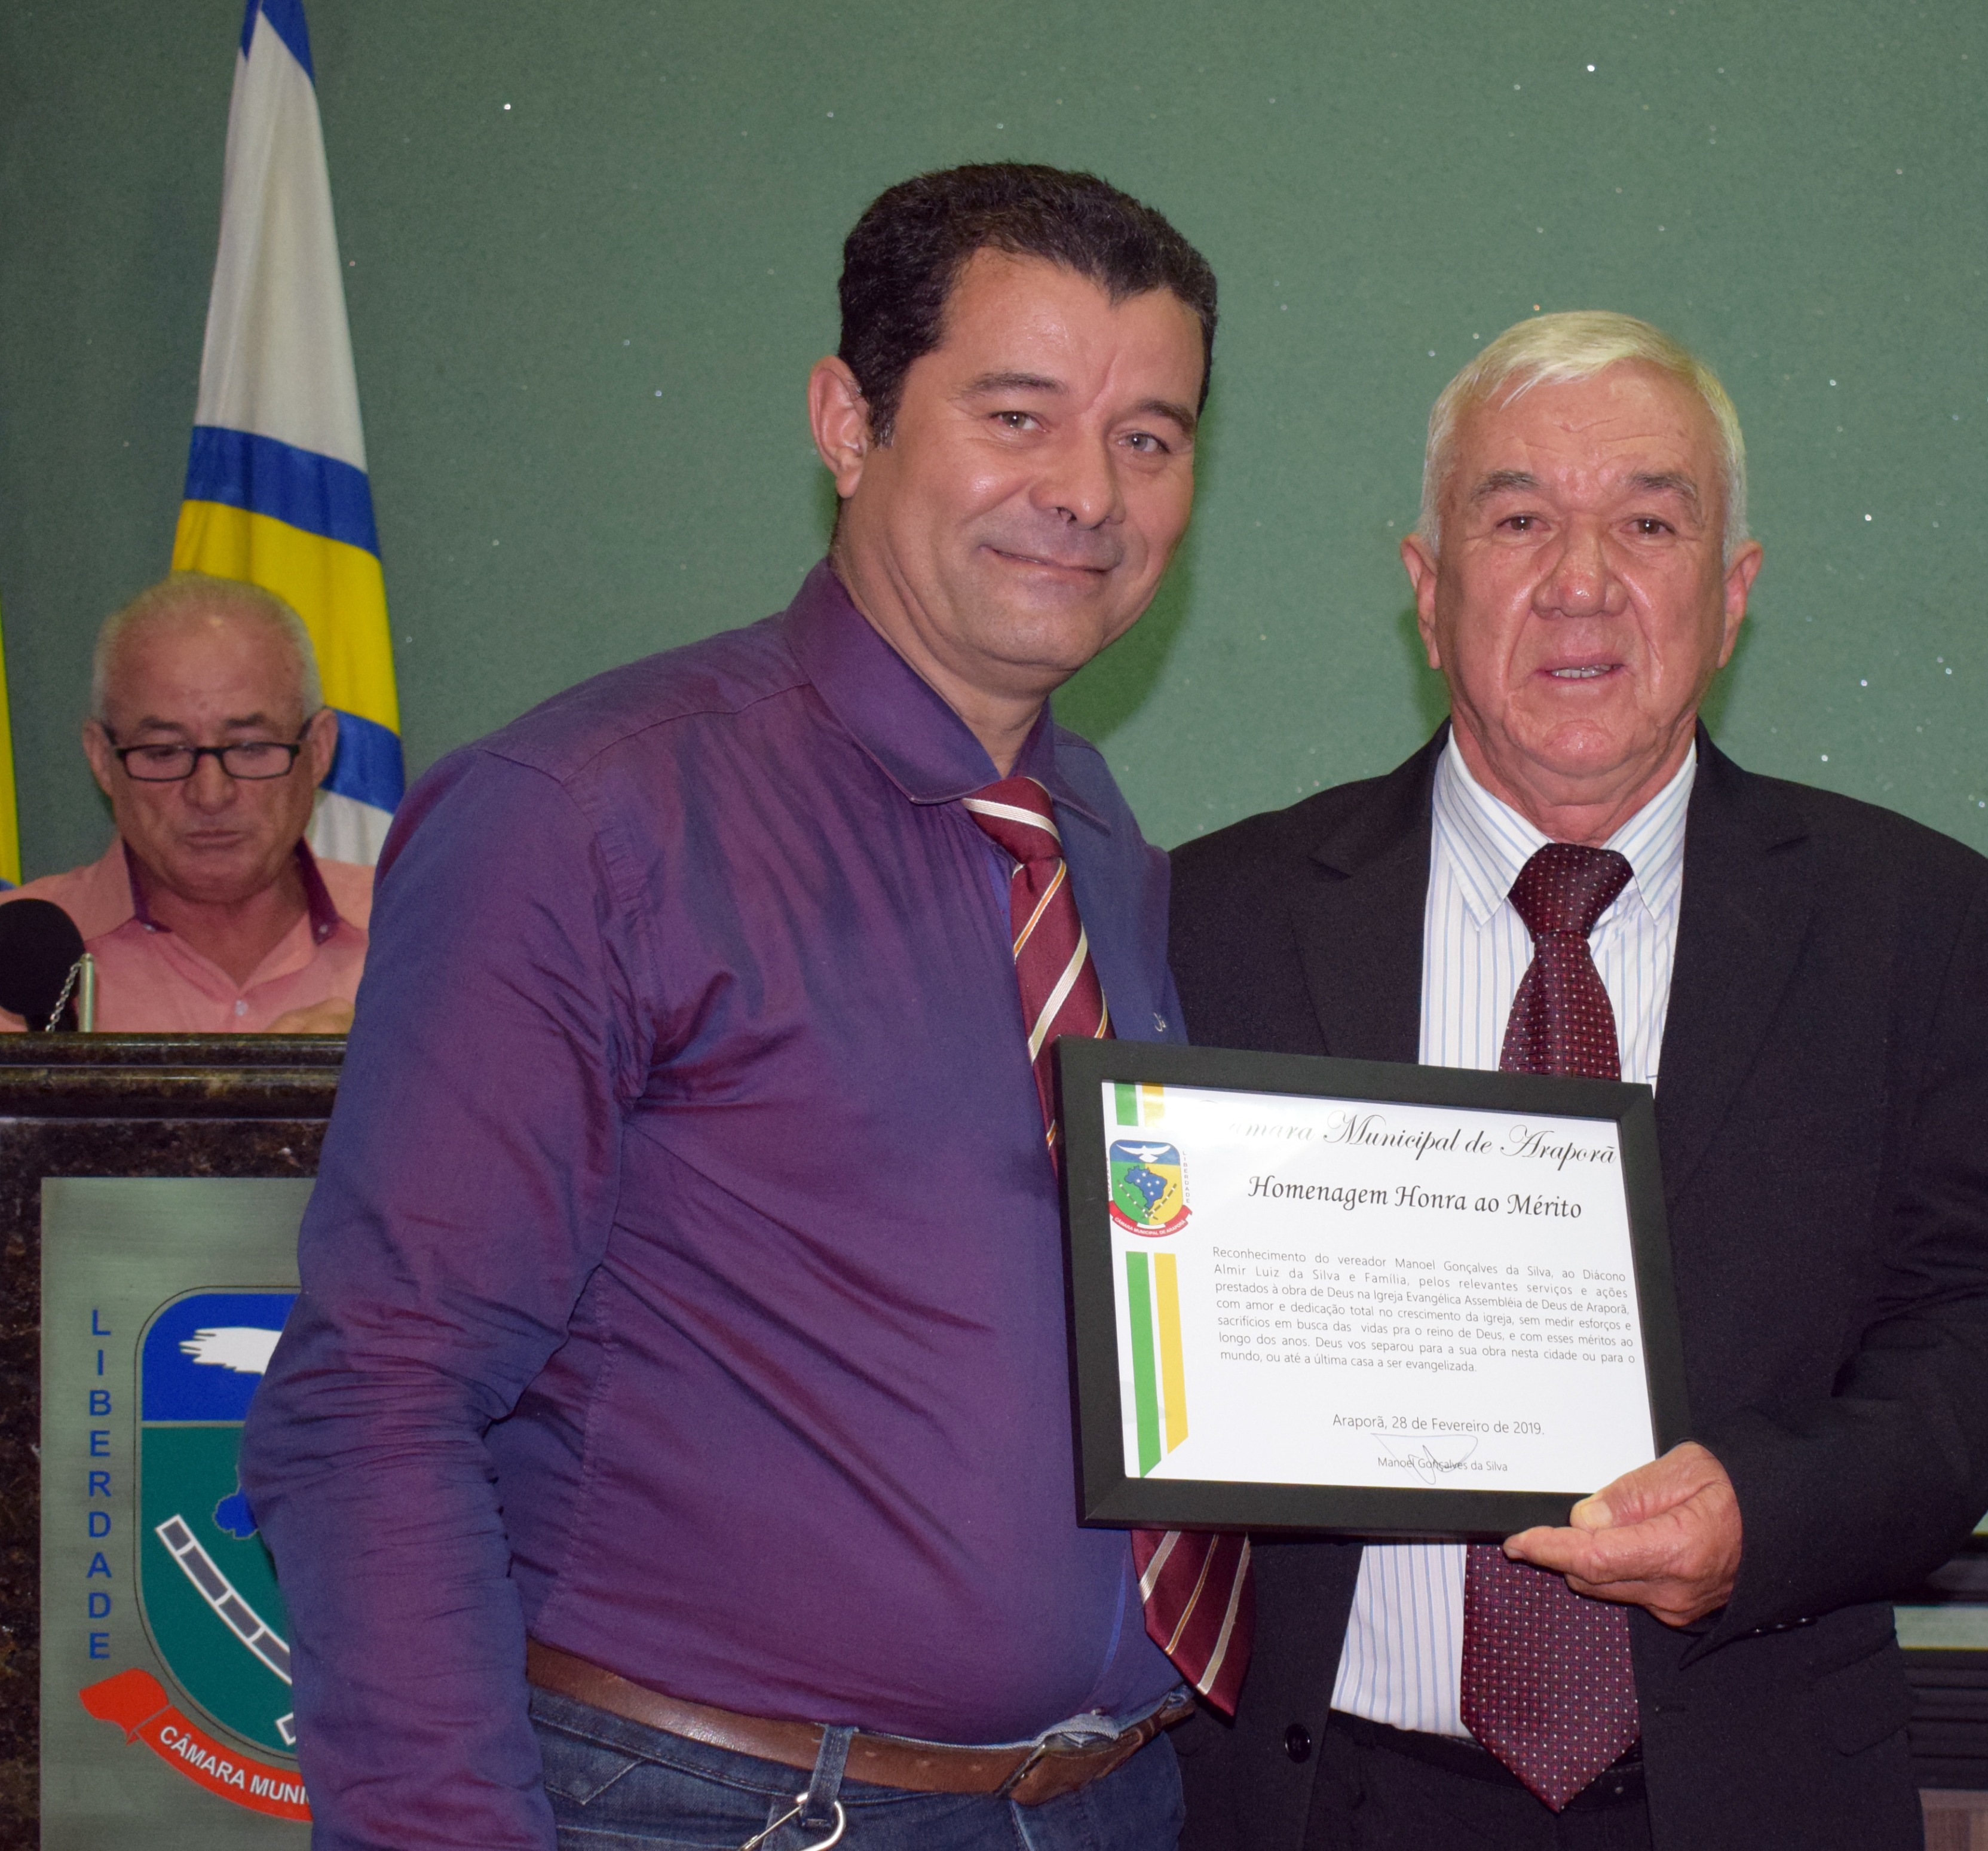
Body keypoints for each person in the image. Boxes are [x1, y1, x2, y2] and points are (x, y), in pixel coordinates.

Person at [242, 164, 1244, 1851]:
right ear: (849, 424)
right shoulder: (584, 818)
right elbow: (379, 1398)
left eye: (1148, 437)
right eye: (1017, 415)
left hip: (1103, 1802)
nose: (1087, 491)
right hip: (715, 1808)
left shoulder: (1099, 849)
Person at [1165, 312, 1988, 1850]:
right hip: (1324, 1797)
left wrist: (1763, 1513)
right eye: (1517, 518)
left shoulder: (1906, 920)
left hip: (1751, 1792)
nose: (1580, 579)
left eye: (1648, 523)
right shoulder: (1218, 913)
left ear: (1731, 594)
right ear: (1427, 591)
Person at [0, 573, 365, 1033]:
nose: (210, 795)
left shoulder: (426, 937)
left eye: (250, 747)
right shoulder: (11, 961)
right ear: (101, 758)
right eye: (164, 752)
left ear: (320, 749)